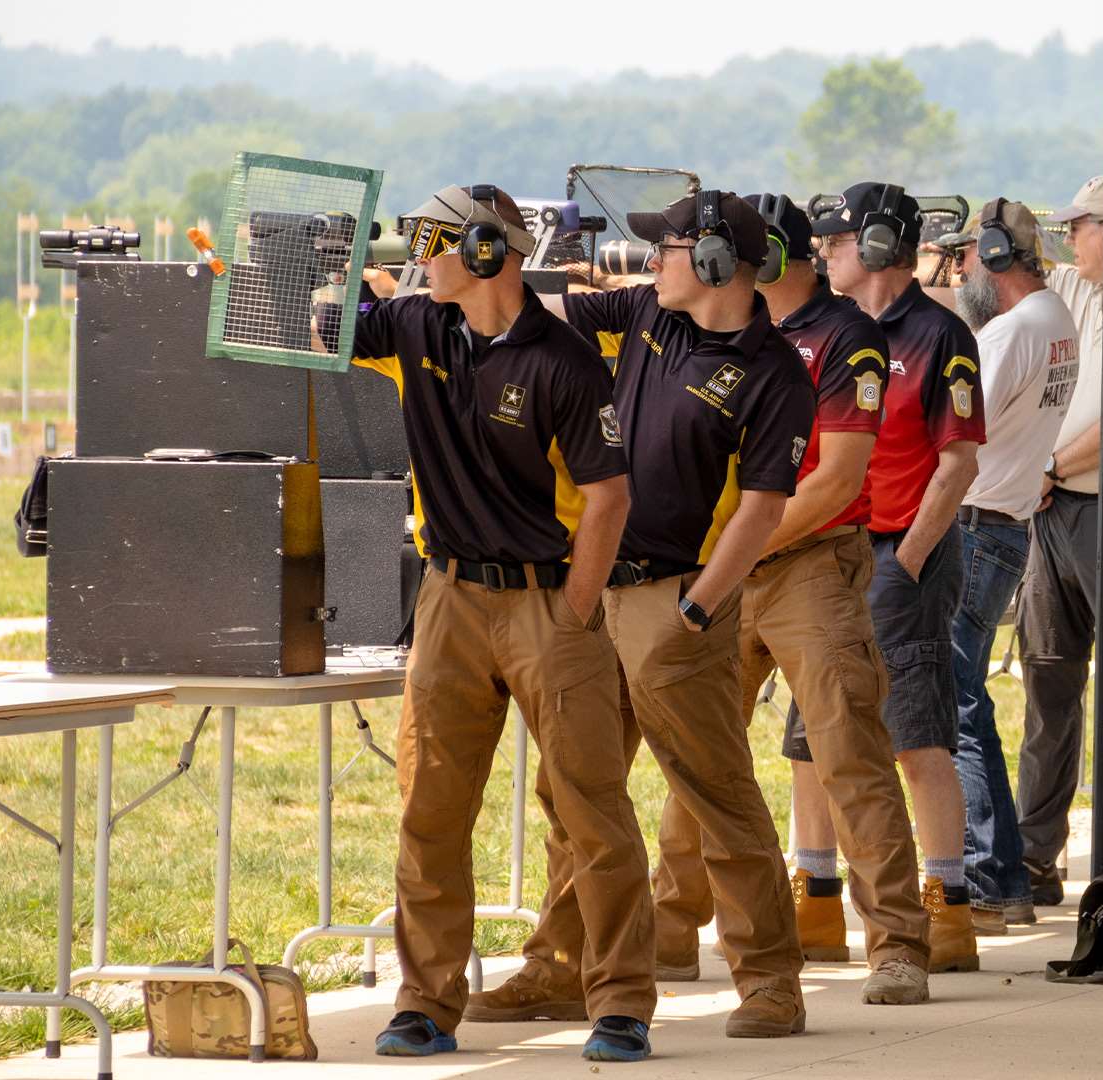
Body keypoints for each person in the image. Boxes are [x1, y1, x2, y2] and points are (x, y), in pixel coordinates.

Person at [476, 190, 817, 1040]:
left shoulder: (775, 374)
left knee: (716, 796)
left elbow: (763, 509)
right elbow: (533, 306)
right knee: (576, 792)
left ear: (712, 264)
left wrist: (698, 612)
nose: (648, 261)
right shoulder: (643, 312)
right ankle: (560, 968)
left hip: (675, 600)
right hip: (592, 589)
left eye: (665, 248)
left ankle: (771, 981)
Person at [345, 185, 650, 1062]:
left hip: (546, 599)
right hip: (447, 593)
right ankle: (426, 1005)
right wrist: (296, 257)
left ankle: (622, 1001)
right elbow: (311, 331)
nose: (418, 259)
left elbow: (608, 498)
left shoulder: (564, 361)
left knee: (591, 806)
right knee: (431, 811)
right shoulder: (415, 324)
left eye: (432, 243)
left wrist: (575, 610)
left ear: (487, 251)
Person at [630, 194, 932, 1006]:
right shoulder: (711, 331)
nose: (841, 252)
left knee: (849, 754)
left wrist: (729, 548)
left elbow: (836, 478)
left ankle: (898, 944)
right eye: (830, 241)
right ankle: (669, 929)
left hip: (806, 567)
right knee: (697, 755)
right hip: (727, 568)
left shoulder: (847, 339)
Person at [811, 181, 987, 973]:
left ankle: (946, 905)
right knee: (813, 733)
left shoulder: (939, 335)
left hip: (900, 550)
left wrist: (906, 563)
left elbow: (957, 465)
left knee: (915, 730)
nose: (825, 253)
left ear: (879, 246)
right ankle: (813, 895)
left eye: (838, 240)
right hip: (833, 551)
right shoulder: (835, 330)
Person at [934, 198, 1079, 932]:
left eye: (964, 257)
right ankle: (1001, 875)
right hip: (1006, 521)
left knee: (955, 701)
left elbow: (951, 430)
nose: (959, 272)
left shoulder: (1010, 333)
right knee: (966, 699)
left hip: (971, 523)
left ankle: (990, 879)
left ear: (993, 255)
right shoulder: (1053, 320)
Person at [1016, 175, 1103, 906]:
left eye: (1080, 226)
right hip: (1052, 512)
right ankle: (1034, 856)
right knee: (1048, 686)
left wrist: (1046, 465)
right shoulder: (1070, 289)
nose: (1069, 238)